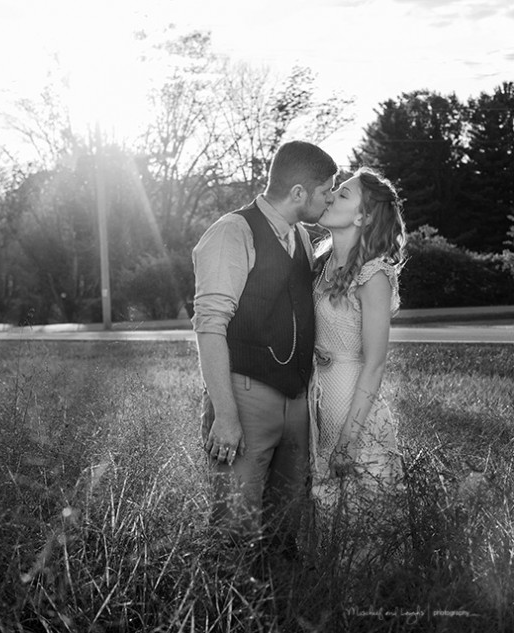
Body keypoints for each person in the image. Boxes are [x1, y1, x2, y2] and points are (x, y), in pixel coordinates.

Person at [192, 140, 337, 553]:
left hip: (296, 402)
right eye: (326, 190)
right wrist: (225, 415)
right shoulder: (232, 232)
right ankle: (230, 612)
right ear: (298, 194)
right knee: (234, 527)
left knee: (286, 527)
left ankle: (283, 611)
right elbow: (209, 326)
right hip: (245, 396)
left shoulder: (304, 239)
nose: (329, 198)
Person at [309, 166, 407, 506]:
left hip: (355, 411)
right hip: (318, 406)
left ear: (363, 217)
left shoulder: (373, 275)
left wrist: (349, 440)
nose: (331, 196)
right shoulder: (319, 266)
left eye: (343, 194)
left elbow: (375, 364)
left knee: (361, 521)